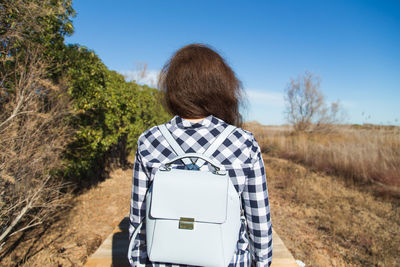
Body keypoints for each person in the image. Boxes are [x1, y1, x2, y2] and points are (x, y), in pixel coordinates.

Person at [128, 43, 272, 266]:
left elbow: (138, 220)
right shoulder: (244, 143)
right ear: (221, 88)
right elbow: (259, 224)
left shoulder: (150, 140)